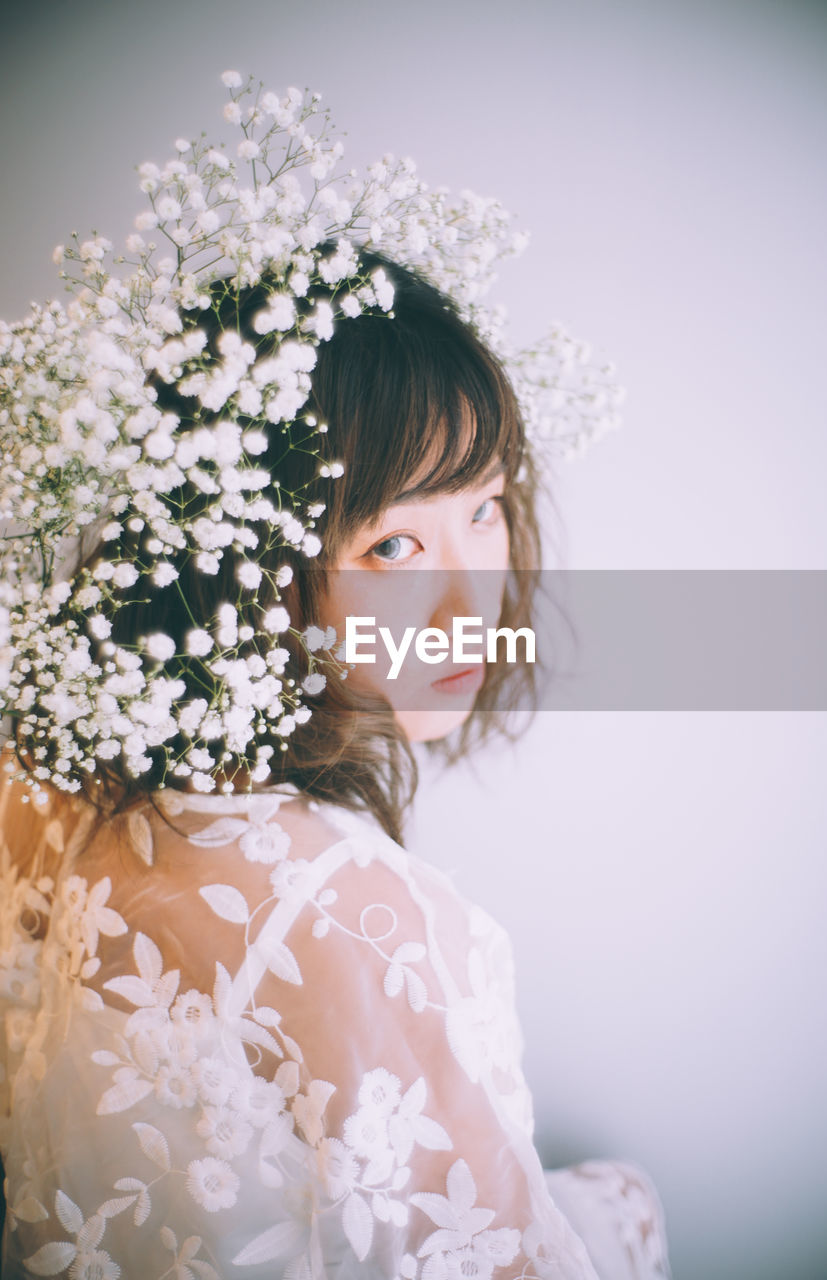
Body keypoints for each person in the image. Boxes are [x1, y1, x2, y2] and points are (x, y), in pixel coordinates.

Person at [0, 74, 670, 1278]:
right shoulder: (365, 918)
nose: (473, 596)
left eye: (487, 507)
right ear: (249, 565)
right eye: (394, 544)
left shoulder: (31, 763)